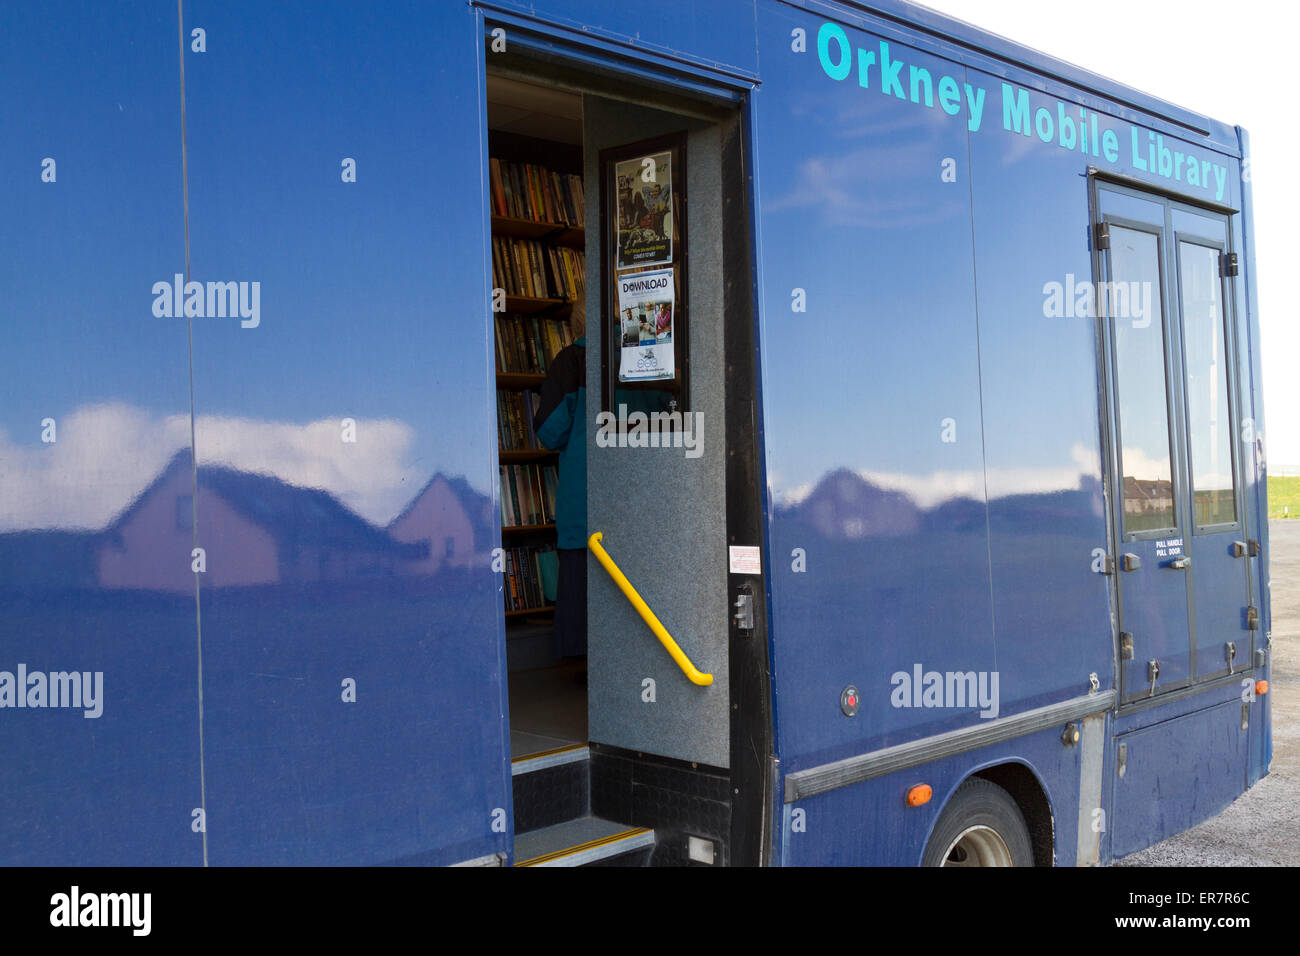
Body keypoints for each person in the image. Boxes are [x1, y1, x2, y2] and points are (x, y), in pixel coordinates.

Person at [533, 301, 588, 667]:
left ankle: (590, 672)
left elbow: (550, 432)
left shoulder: (572, 362)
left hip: (586, 508)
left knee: (584, 594)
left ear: (575, 327)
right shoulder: (656, 359)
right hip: (647, 511)